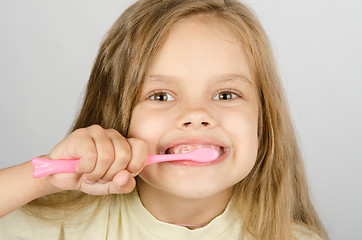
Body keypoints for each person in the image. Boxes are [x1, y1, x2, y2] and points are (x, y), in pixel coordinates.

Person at [0, 0, 328, 239]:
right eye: (161, 96)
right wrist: (42, 177)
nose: (196, 115)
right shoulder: (59, 224)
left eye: (225, 95)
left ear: (263, 123)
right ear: (117, 117)